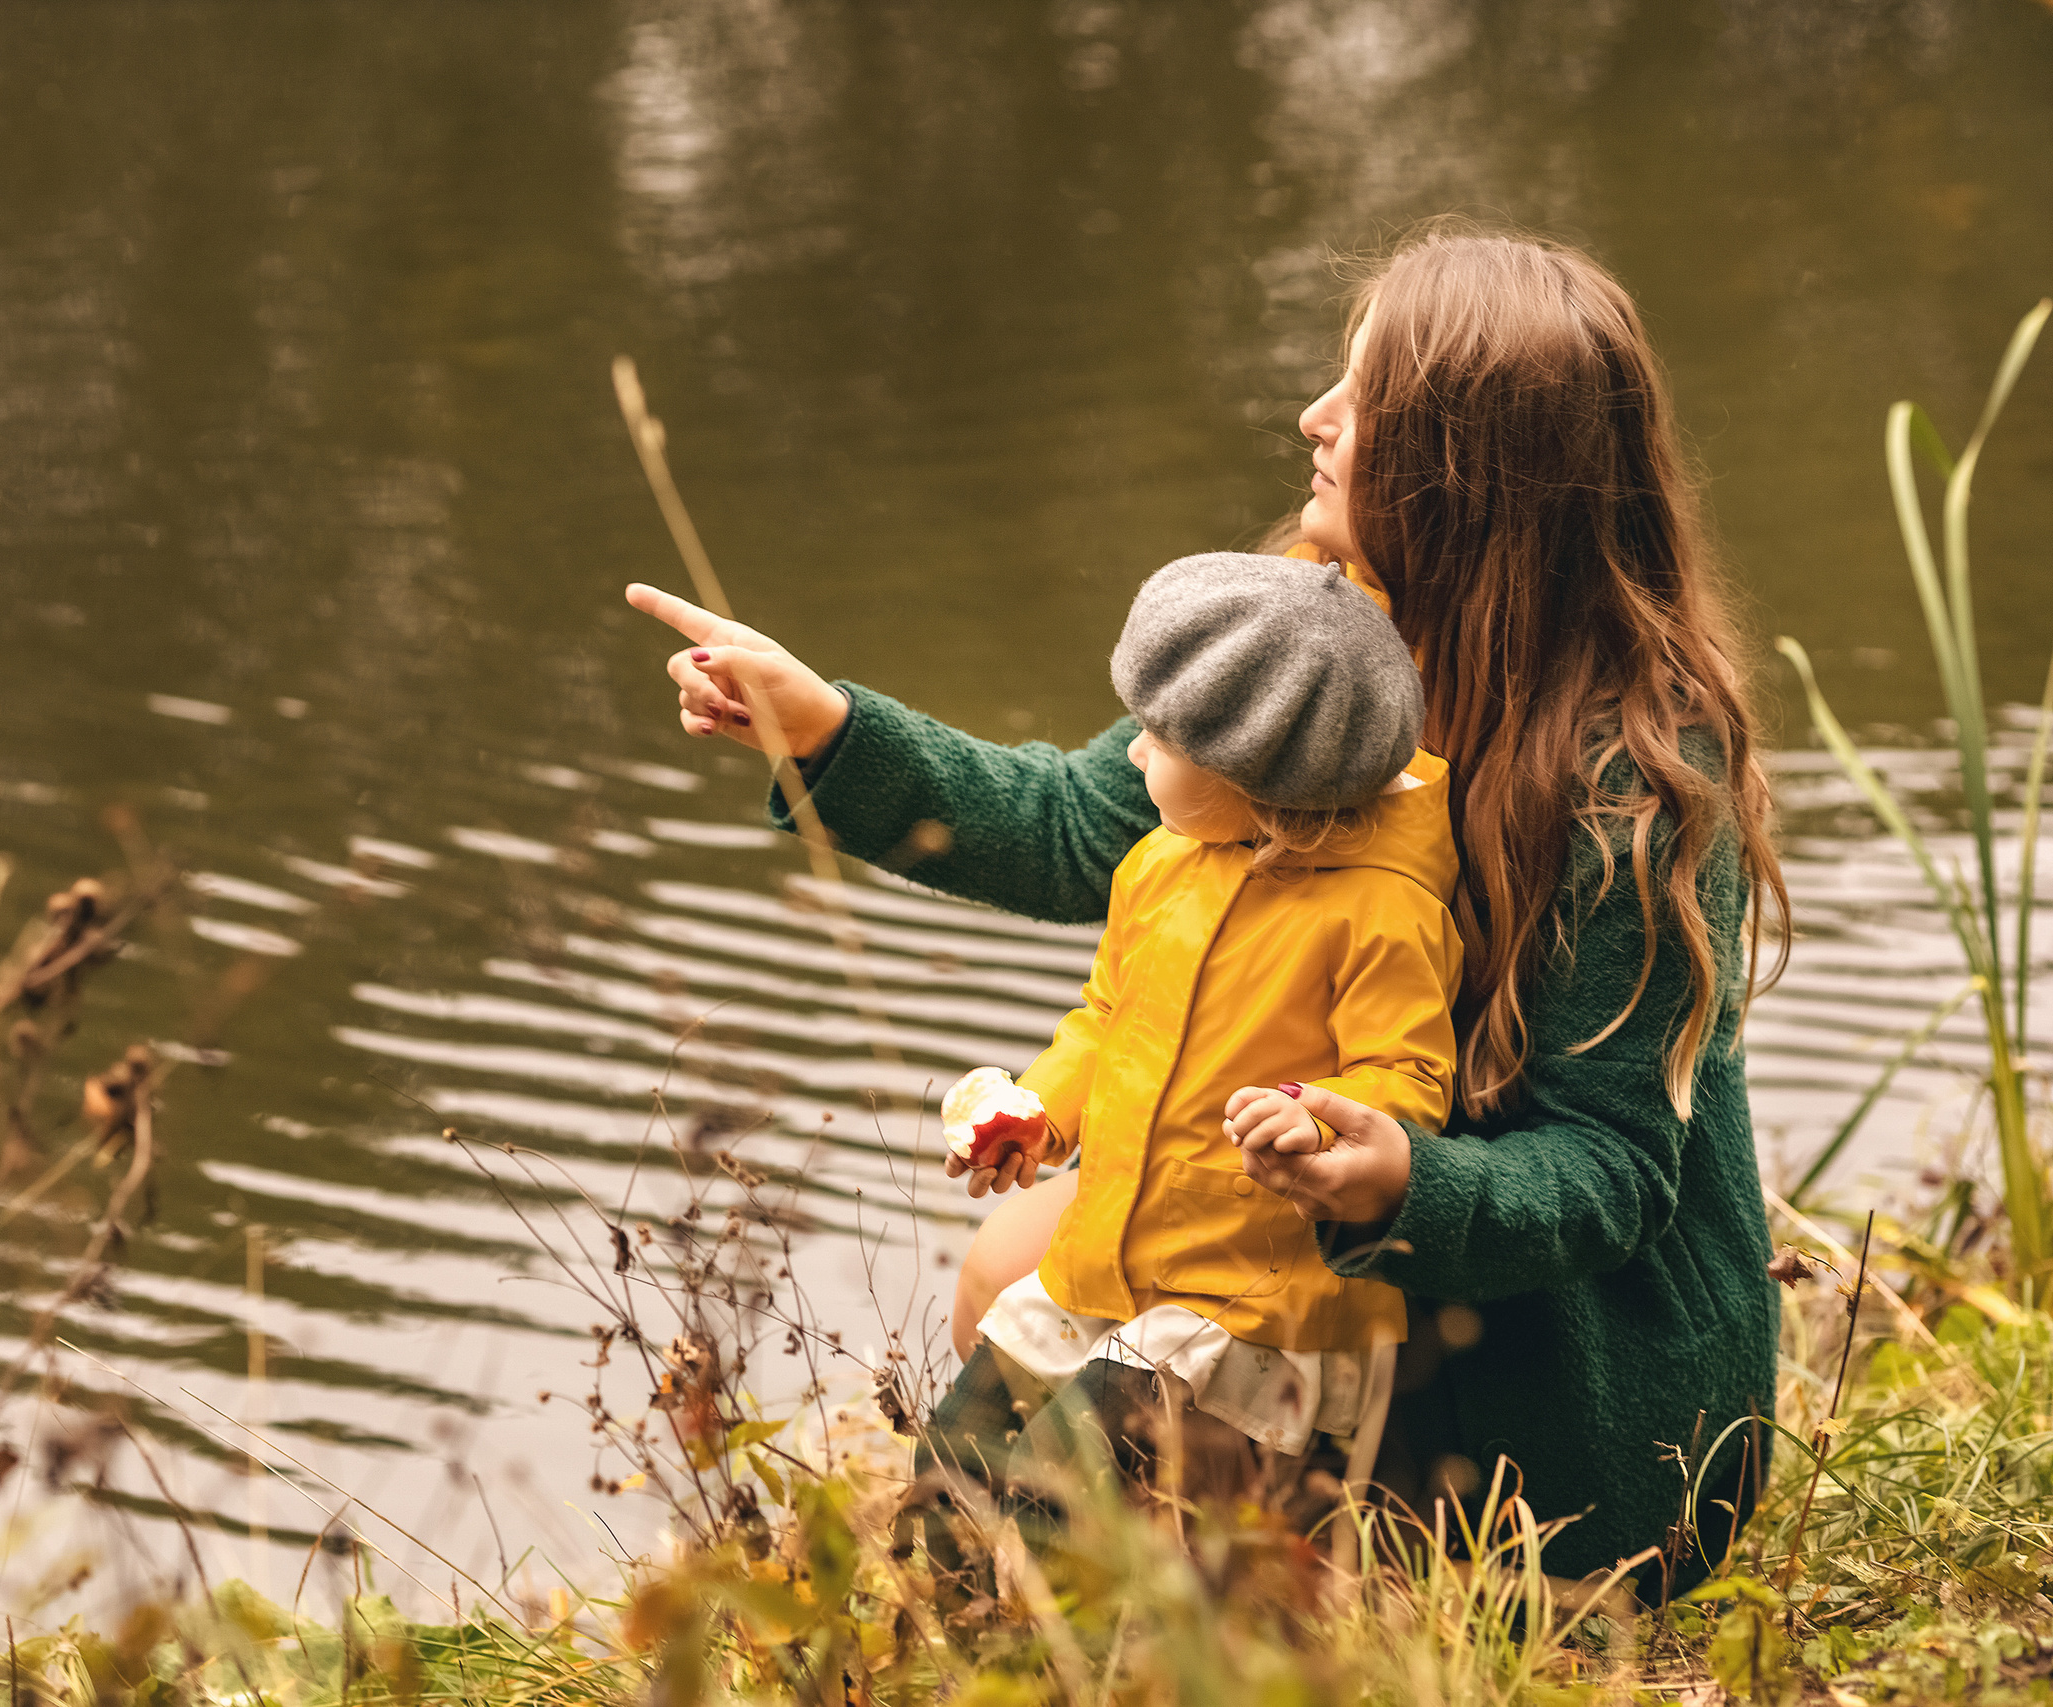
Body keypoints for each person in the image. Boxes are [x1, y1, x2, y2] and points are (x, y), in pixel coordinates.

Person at [623, 223, 1790, 1599]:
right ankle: (1188, 1585)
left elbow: (1608, 1170)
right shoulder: (1330, 637)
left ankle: (1282, 1582)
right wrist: (825, 732)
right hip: (1357, 1271)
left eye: (1363, 403)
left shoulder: (1631, 778)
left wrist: (1406, 1180)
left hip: (1573, 1407)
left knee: (1079, 1432)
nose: (1315, 419)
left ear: (1469, 476)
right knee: (1019, 1270)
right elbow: (1077, 820)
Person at [917, 548, 1458, 1532]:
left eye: (1159, 739)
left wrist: (1324, 1124)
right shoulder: (1160, 867)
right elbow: (1103, 1019)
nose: (1130, 755)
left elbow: (1409, 1071)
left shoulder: (1383, 912)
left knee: (1065, 1505)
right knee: (953, 1462)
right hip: (1110, 1260)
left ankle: (1084, 1659)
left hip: (1247, 1301)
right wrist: (1042, 1112)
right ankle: (942, 1642)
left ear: (1255, 776)